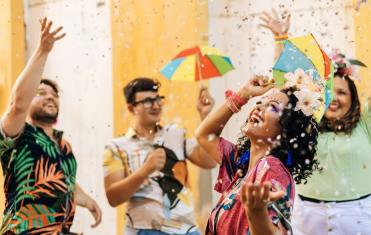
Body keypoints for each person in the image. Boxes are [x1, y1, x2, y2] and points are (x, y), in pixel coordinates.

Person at [261, 6, 371, 235]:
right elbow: (284, 90)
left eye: (342, 93)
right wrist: (280, 39)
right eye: (329, 92)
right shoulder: (305, 125)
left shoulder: (370, 125)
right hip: (306, 218)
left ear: (354, 99)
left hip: (359, 219)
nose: (334, 99)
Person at [0, 18, 102, 234]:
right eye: (41, 93)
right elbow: (17, 104)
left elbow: (61, 181)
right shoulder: (17, 133)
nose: (50, 98)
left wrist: (87, 200)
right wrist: (42, 50)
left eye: (54, 95)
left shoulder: (63, 145)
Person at [195, 73, 322, 234]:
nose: (259, 107)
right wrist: (243, 94)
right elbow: (205, 135)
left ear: (287, 129)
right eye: (260, 102)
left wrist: (257, 213)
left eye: (273, 107)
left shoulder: (272, 169)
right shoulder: (241, 165)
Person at [103, 78, 217, 235]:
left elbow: (209, 161)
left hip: (186, 229)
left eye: (158, 99)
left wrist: (206, 116)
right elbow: (113, 197)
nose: (156, 105)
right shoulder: (116, 147)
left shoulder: (176, 135)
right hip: (144, 229)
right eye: (148, 102)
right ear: (131, 108)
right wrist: (145, 170)